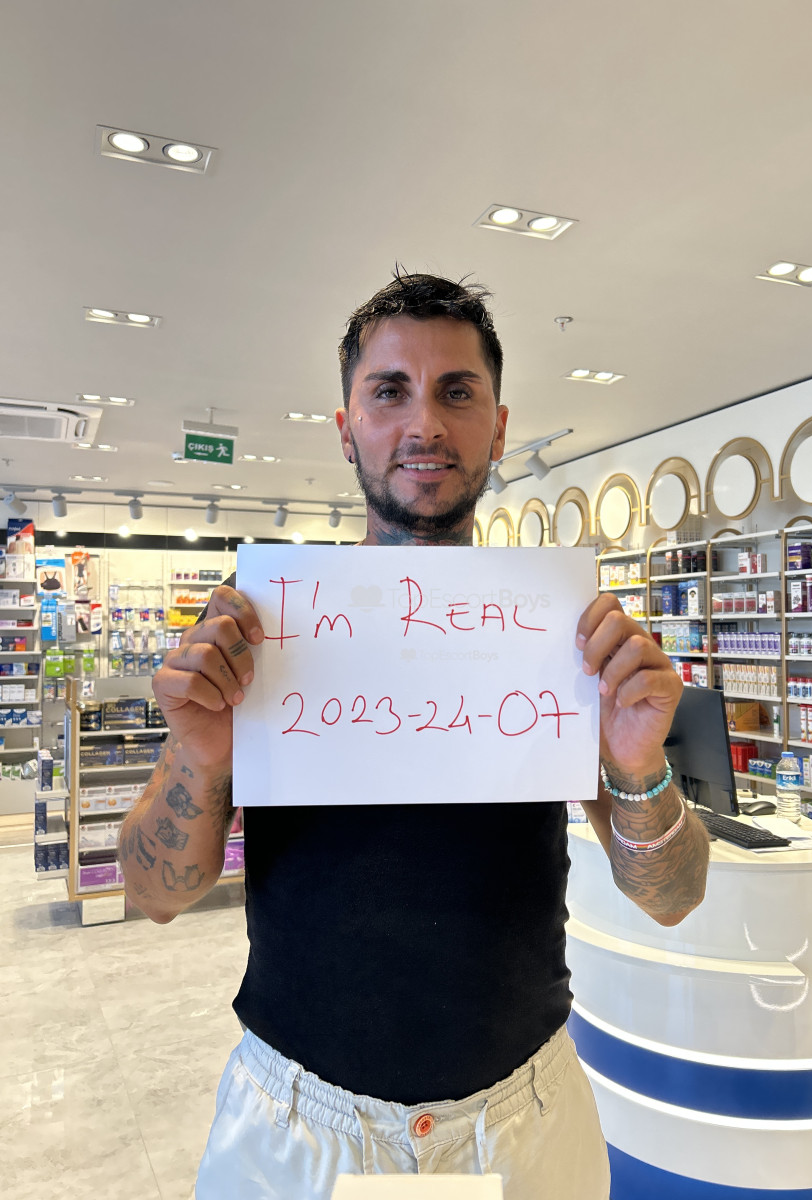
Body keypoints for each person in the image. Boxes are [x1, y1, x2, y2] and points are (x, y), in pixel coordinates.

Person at [118, 272, 710, 1199]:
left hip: (523, 1122)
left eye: (456, 392)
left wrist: (636, 764)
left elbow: (673, 896)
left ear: (500, 428)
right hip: (296, 1125)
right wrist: (201, 754)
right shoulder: (264, 631)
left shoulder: (557, 634)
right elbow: (156, 894)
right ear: (346, 426)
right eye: (389, 391)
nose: (424, 424)